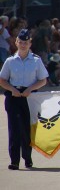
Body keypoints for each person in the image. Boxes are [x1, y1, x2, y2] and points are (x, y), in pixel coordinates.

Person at [0, 29, 48, 170]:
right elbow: (2, 80)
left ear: (30, 43)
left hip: (29, 97)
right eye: (20, 42)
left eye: (25, 42)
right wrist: (12, 89)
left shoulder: (36, 60)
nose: (22, 45)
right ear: (16, 42)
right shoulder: (10, 61)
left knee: (27, 130)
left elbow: (43, 80)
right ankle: (14, 161)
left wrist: (30, 89)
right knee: (14, 129)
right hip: (14, 95)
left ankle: (27, 158)